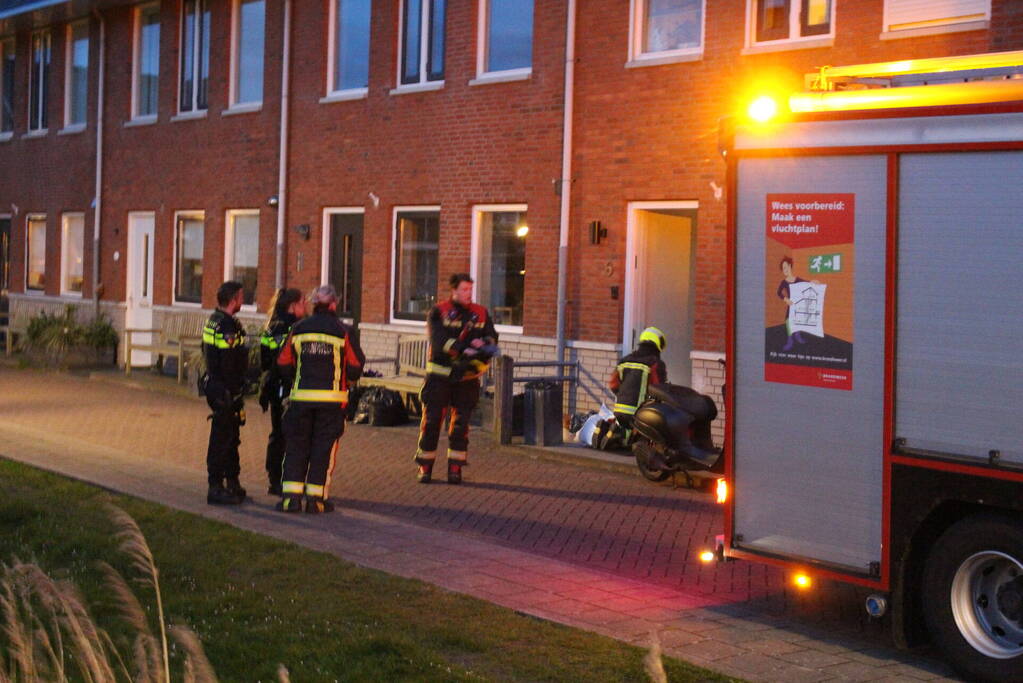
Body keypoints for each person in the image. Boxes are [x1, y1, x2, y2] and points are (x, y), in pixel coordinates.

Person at [275, 285, 365, 513]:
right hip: (331, 403)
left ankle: (290, 500)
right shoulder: (342, 330)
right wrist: (347, 380)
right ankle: (316, 501)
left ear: (314, 303)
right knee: (322, 451)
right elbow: (355, 365)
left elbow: (283, 362)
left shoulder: (298, 328)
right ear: (334, 304)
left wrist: (297, 378)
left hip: (300, 401)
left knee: (296, 448)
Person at [415, 273, 498, 485]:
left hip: (467, 379)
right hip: (439, 379)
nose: (468, 294)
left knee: (461, 426)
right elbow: (439, 341)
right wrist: (467, 349)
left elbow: (492, 337)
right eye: (464, 290)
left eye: (470, 290)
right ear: (453, 291)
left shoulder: (480, 313)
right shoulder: (439, 312)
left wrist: (485, 343)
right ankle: (425, 468)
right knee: (432, 423)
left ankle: (455, 469)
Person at [202, 281, 249, 505]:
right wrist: (235, 391)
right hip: (225, 390)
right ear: (232, 300)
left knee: (231, 437)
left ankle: (232, 482)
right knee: (223, 439)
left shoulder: (215, 320)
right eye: (241, 297)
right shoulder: (227, 327)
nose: (243, 300)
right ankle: (216, 487)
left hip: (217, 387)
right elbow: (229, 363)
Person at [258, 288, 306, 496]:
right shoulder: (286, 328)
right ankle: (278, 479)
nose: (306, 306)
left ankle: (278, 478)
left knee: (280, 433)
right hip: (283, 388)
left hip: (276, 387)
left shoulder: (272, 326)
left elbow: (264, 360)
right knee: (283, 434)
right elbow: (282, 361)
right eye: (303, 302)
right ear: (292, 306)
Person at [608, 326, 667, 430]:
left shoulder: (624, 361)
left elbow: (613, 384)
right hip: (641, 415)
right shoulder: (655, 363)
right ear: (657, 344)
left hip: (619, 412)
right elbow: (659, 390)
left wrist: (624, 395)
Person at [776, 256, 818, 352]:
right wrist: (785, 299)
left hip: (799, 305)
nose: (784, 270)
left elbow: (807, 283)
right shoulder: (784, 282)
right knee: (788, 321)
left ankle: (798, 336)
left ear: (790, 266)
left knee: (798, 320)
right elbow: (778, 292)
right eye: (783, 269)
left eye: (786, 267)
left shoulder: (797, 279)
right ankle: (790, 341)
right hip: (790, 305)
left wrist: (813, 282)